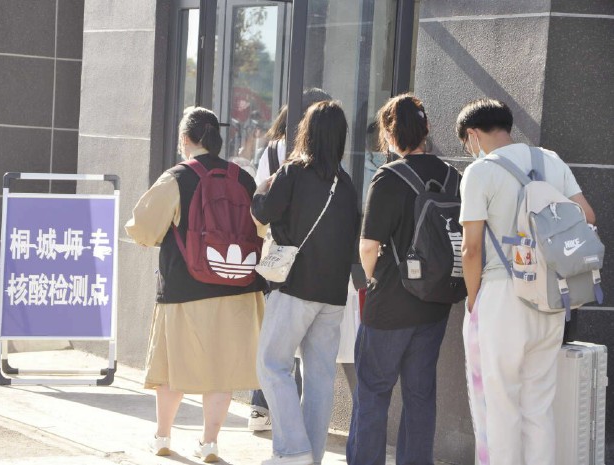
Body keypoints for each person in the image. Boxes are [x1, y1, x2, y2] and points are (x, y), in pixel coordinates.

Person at [457, 98, 595, 465]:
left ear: (472, 135)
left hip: (501, 294)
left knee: (500, 405)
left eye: (466, 144)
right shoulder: (551, 161)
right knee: (538, 405)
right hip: (551, 295)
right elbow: (587, 215)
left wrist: (473, 300)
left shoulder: (480, 172)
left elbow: (471, 249)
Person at [125, 107, 267, 463]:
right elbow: (261, 229)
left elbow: (143, 227)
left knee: (172, 367)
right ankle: (209, 443)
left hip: (184, 289)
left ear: (185, 139)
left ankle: (162, 437)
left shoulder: (177, 177)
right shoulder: (243, 178)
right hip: (237, 289)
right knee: (220, 372)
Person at [347, 94, 457, 465]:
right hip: (436, 301)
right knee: (420, 395)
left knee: (373, 392)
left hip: (390, 304)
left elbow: (368, 246)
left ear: (389, 135)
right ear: (427, 129)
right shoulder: (452, 176)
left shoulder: (388, 177)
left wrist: (372, 279)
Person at [252, 101, 358, 465]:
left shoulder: (294, 171)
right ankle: (311, 456)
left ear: (306, 132)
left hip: (295, 286)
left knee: (271, 364)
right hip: (333, 294)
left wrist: (262, 189)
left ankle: (293, 451)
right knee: (320, 379)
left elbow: (263, 211)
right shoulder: (346, 184)